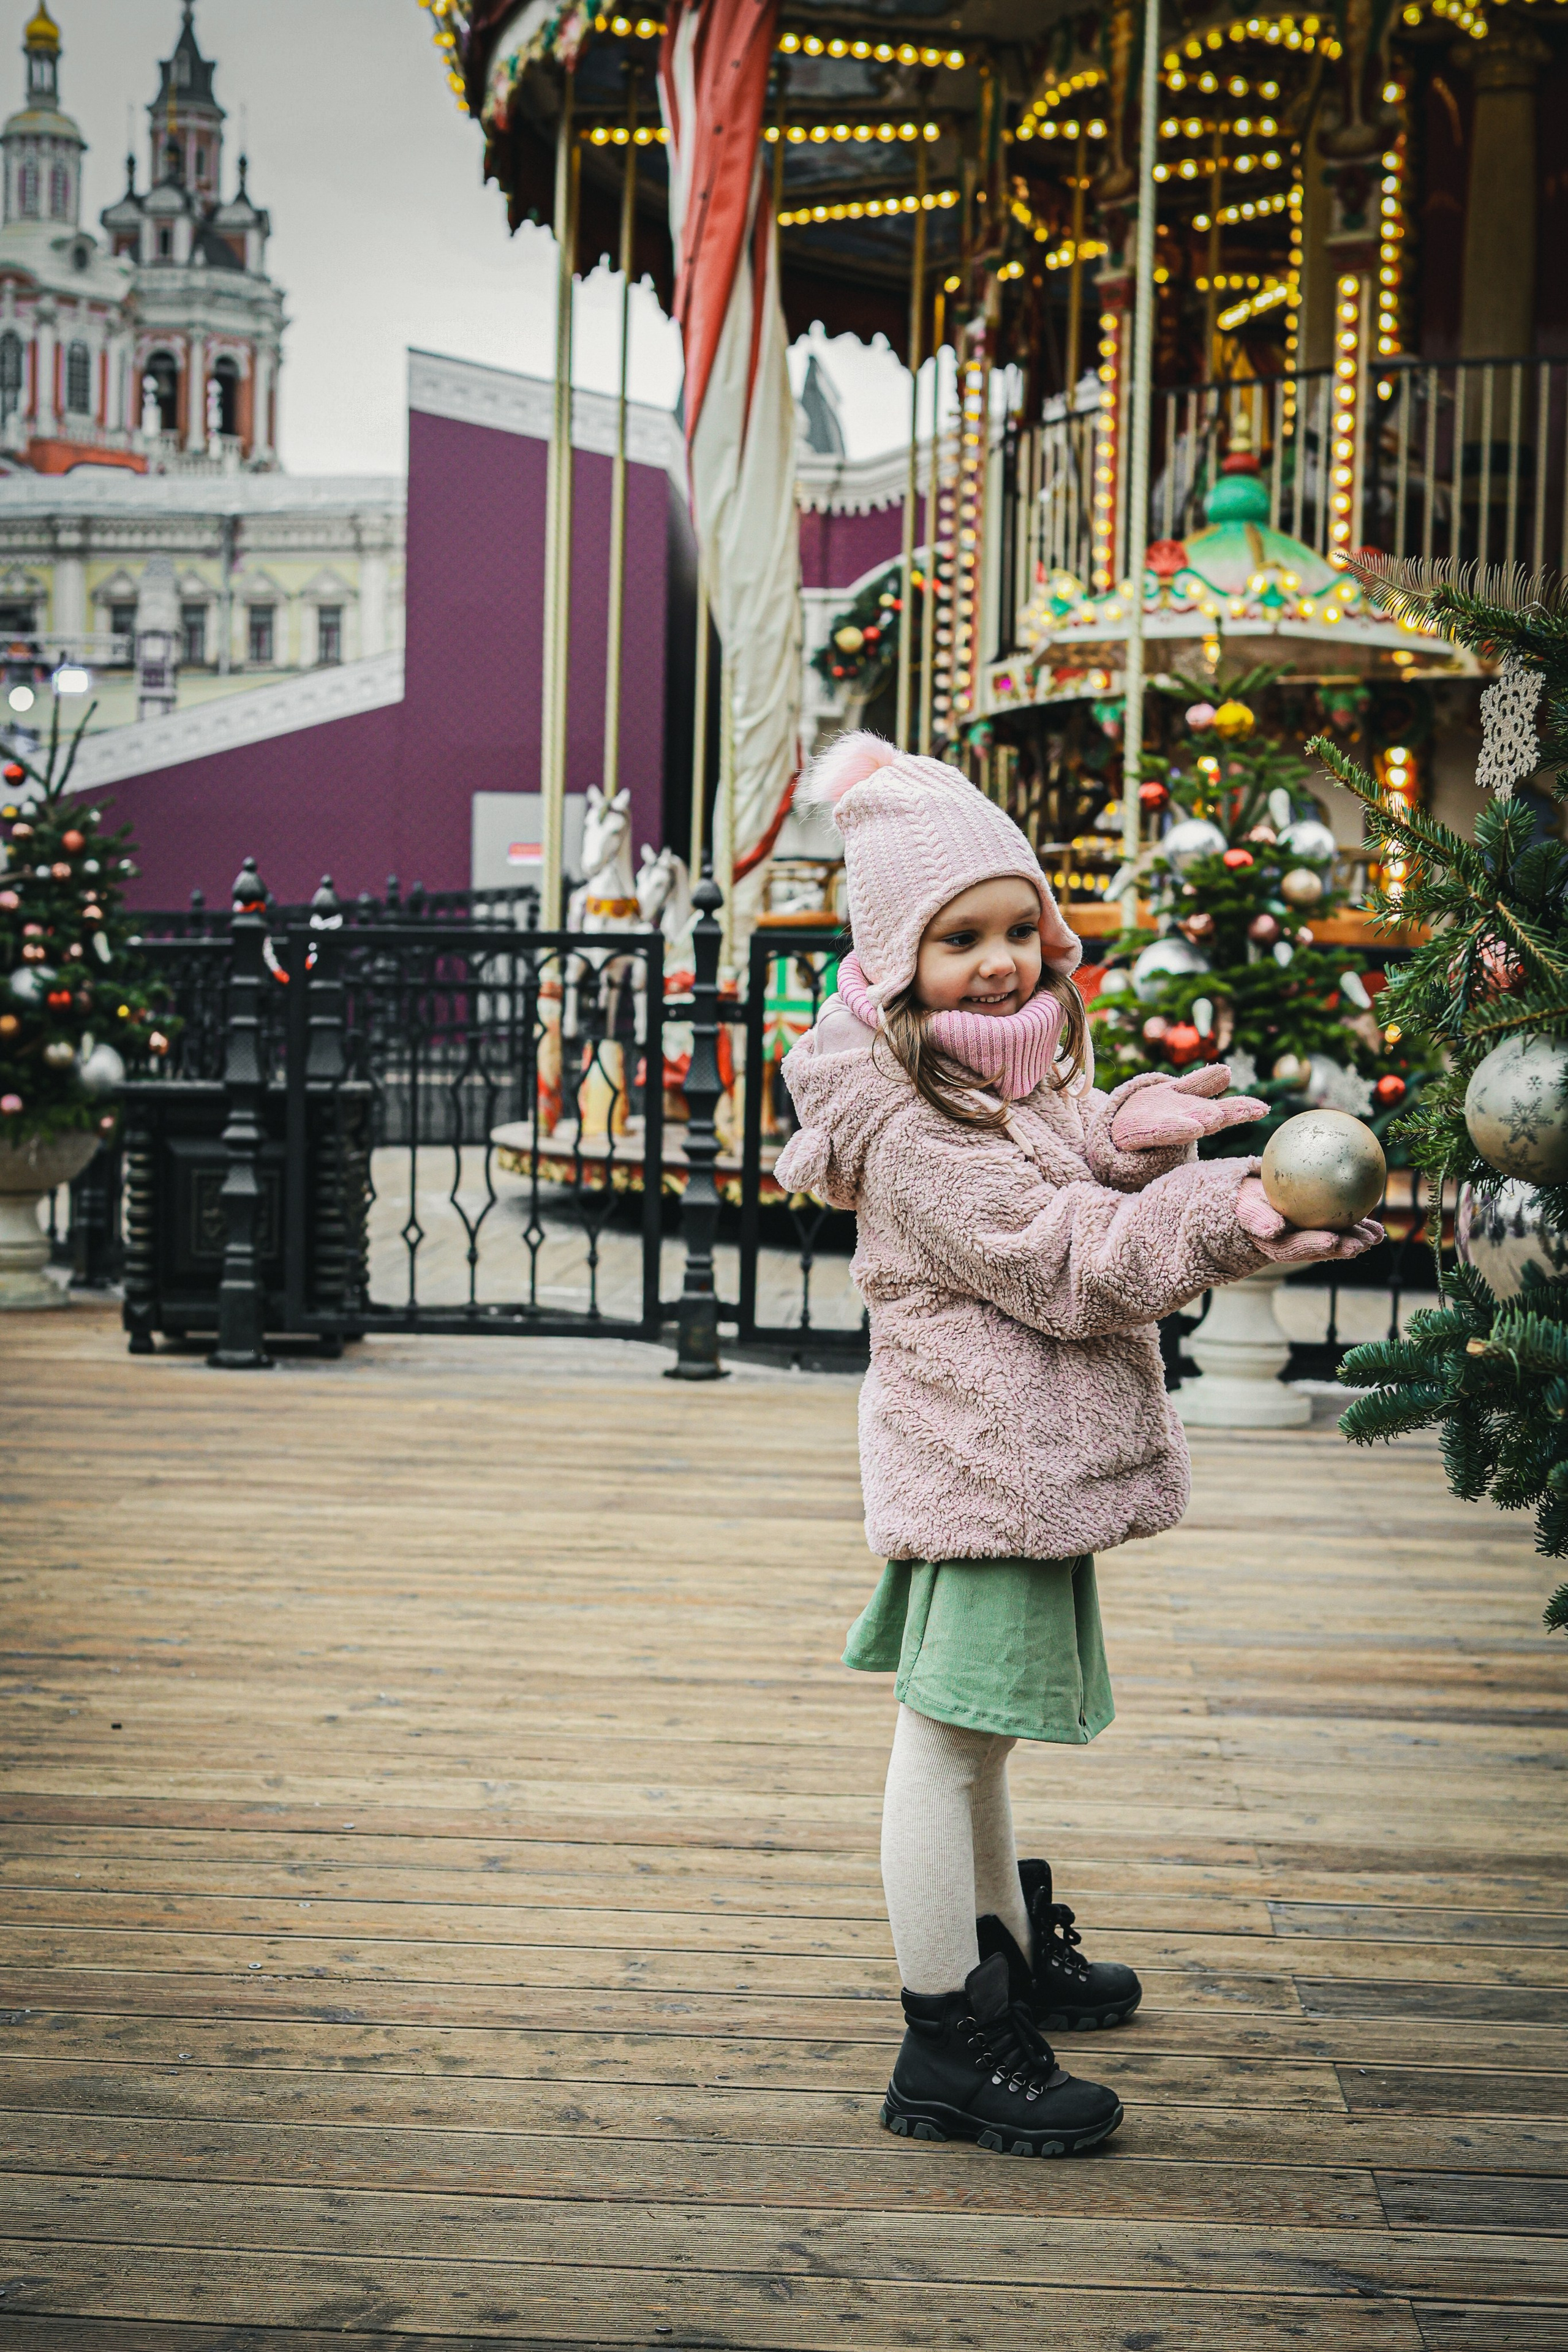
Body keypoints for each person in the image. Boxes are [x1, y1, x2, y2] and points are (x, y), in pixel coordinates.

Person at [776, 731, 1381, 2158]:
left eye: (1015, 930)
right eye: (957, 938)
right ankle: (948, 2033)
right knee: (943, 1742)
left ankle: (998, 1953)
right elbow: (1054, 1257)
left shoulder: (1000, 1072)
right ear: (891, 960)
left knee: (978, 1747)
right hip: (983, 1462)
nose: (998, 963)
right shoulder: (910, 1124)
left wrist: (1126, 1129)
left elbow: (1053, 1163)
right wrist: (1221, 1210)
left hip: (1012, 1460)